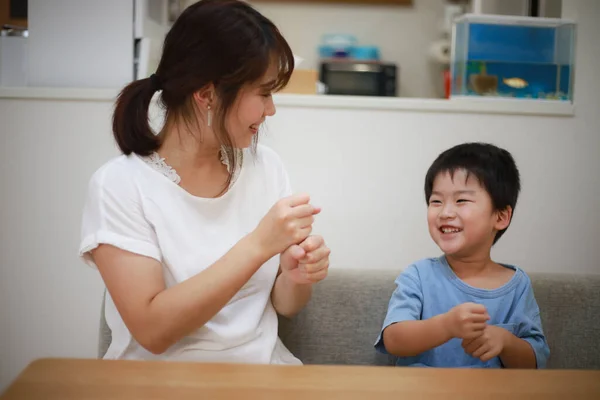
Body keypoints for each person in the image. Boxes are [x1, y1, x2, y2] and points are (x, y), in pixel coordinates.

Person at [78, 0, 330, 365]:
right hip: (157, 384)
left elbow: (284, 305)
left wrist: (296, 275)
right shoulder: (119, 186)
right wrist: (259, 245)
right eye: (262, 93)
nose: (271, 110)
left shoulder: (267, 168)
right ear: (207, 94)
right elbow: (152, 332)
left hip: (261, 377)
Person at [374, 142, 549, 368]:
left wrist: (506, 342)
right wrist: (446, 326)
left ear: (500, 217)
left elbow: (536, 363)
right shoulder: (419, 275)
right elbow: (394, 340)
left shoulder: (517, 285)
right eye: (436, 201)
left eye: (461, 201)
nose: (445, 212)